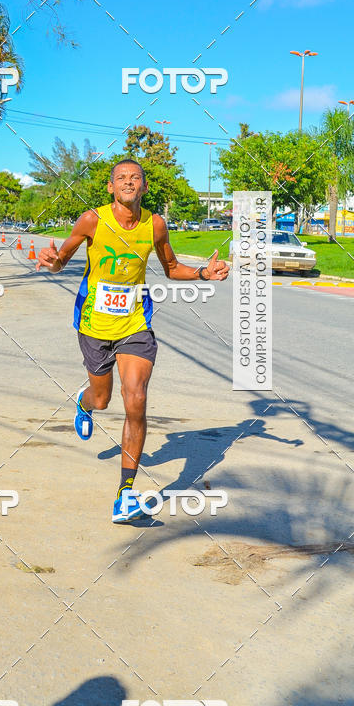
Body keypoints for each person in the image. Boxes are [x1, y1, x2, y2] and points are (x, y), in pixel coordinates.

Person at [36, 159, 229, 523]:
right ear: (111, 187)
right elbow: (62, 259)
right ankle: (85, 401)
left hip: (135, 323)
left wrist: (203, 272)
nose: (128, 182)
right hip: (93, 324)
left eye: (135, 178)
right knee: (103, 398)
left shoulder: (154, 224)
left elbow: (171, 267)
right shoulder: (93, 219)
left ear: (143, 186)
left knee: (136, 398)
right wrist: (51, 260)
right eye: (121, 178)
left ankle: (126, 495)